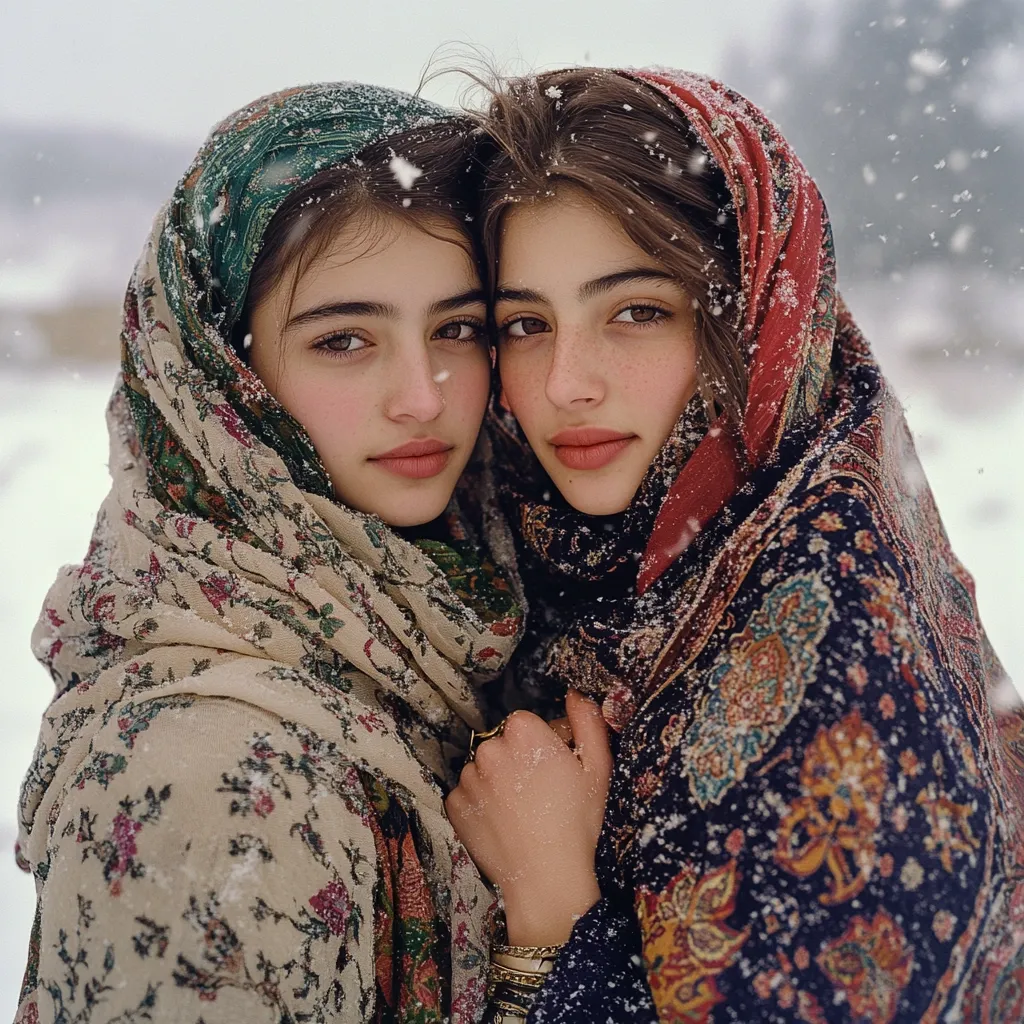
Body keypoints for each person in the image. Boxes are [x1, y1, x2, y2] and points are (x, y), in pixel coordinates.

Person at [446, 67, 1024, 1022]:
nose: (566, 382)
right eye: (526, 323)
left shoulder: (837, 630)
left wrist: (552, 915)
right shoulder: (556, 565)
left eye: (637, 310)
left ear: (756, 319)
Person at [14, 82, 524, 1024]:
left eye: (458, 328)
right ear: (223, 381)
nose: (424, 394)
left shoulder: (434, 625)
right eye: (343, 340)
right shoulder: (207, 789)